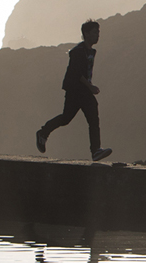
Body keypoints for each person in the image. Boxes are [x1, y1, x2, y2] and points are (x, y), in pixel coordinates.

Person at [36, 20, 112, 161]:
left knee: (84, 118)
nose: (98, 35)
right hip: (76, 91)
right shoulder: (77, 52)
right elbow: (77, 74)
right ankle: (43, 132)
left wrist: (89, 86)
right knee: (71, 118)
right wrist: (90, 87)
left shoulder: (90, 51)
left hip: (82, 91)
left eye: (98, 32)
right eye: (95, 32)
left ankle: (95, 150)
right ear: (86, 34)